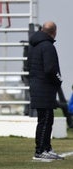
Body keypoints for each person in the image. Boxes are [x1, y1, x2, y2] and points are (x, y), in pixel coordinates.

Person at [28, 21, 64, 161]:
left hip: (37, 86)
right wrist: (59, 80)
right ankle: (40, 151)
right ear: (54, 32)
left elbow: (29, 66)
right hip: (45, 88)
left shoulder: (33, 46)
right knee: (45, 120)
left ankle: (47, 148)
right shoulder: (48, 46)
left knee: (46, 119)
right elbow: (50, 69)